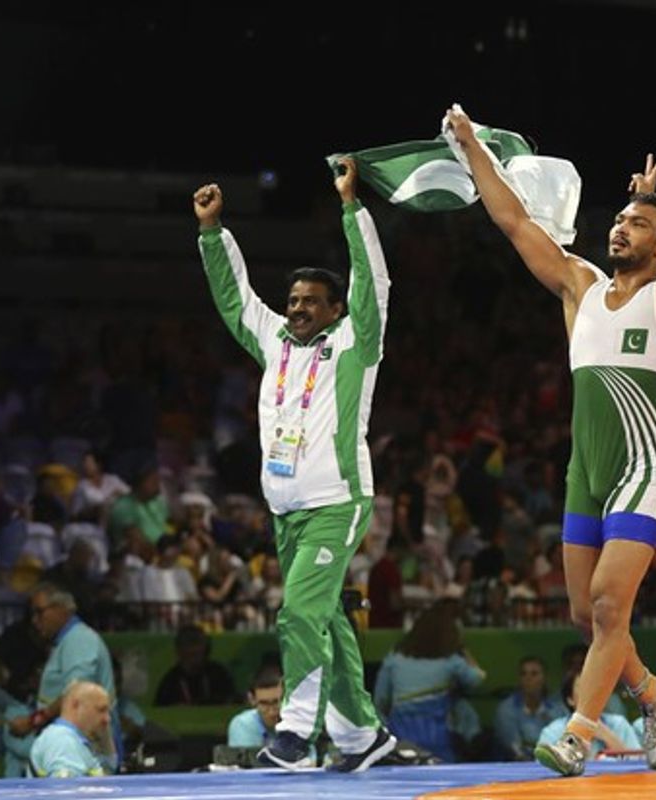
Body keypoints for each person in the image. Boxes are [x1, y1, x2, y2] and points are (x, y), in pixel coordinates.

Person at [445, 84, 656, 778]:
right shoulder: (580, 286)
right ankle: (653, 695)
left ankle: (578, 733)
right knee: (583, 613)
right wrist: (472, 146)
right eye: (620, 219)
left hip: (642, 469)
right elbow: (513, 220)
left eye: (638, 223)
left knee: (606, 603)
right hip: (586, 471)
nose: (620, 228)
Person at [193, 157, 395, 772]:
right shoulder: (274, 341)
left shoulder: (355, 343)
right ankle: (360, 736)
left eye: (312, 301)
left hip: (337, 502)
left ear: (337, 309)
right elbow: (234, 299)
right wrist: (211, 232)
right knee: (326, 619)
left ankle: (296, 733)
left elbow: (373, 281)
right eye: (293, 300)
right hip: (286, 509)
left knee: (300, 614)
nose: (298, 308)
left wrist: (352, 208)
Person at [373, 599, 485, 763]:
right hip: (439, 737)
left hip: (400, 736)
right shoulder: (451, 660)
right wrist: (463, 649)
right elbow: (477, 678)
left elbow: (379, 701)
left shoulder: (394, 658)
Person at [27, 584, 118, 765]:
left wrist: (37, 719)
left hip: (86, 749)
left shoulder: (79, 639)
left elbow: (78, 692)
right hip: (76, 745)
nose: (35, 620)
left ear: (62, 609)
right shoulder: (68, 641)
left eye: (39, 612)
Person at [537, 670, 640, 760]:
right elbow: (541, 771)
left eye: (595, 686)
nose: (593, 692)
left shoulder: (619, 725)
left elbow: (638, 764)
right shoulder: (552, 732)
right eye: (584, 687)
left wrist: (607, 736)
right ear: (570, 699)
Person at [29, 681, 112, 778]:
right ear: (76, 705)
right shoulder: (63, 741)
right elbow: (65, 786)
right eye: (101, 710)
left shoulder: (70, 740)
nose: (107, 719)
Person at [493, 656, 559, 761]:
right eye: (523, 674)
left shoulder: (557, 710)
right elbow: (514, 748)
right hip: (515, 765)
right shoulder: (506, 710)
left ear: (544, 678)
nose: (528, 678)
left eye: (534, 674)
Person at [154, 625, 238, 706]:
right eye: (188, 645)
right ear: (179, 651)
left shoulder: (219, 674)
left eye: (197, 644)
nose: (193, 649)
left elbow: (232, 701)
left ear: (206, 650)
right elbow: (160, 709)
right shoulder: (171, 682)